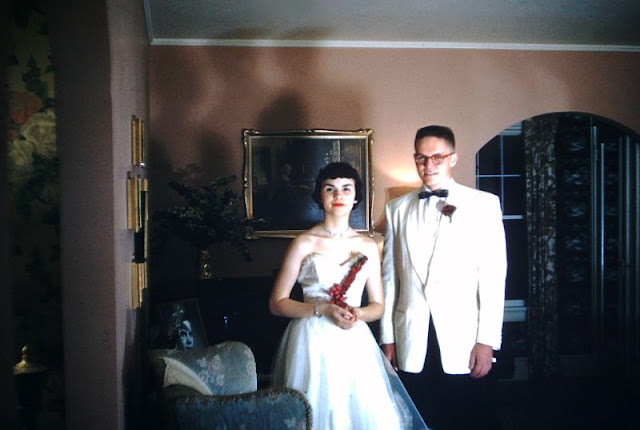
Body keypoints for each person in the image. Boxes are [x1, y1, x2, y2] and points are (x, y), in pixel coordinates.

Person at [270, 162, 428, 430]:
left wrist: (359, 313)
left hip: (354, 341)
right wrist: (323, 309)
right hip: (311, 340)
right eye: (330, 189)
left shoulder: (367, 246)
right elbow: (277, 303)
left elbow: (378, 305)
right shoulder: (303, 243)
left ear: (356, 197)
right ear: (320, 196)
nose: (338, 195)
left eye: (346, 189)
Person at [380, 125, 507, 430]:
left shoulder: (483, 205)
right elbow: (389, 280)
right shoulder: (396, 209)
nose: (429, 164)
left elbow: (492, 277)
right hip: (411, 336)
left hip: (463, 338)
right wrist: (388, 338)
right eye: (422, 158)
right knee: (419, 417)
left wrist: (486, 341)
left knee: (467, 417)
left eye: (437, 156)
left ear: (453, 158)